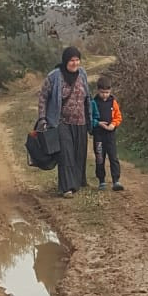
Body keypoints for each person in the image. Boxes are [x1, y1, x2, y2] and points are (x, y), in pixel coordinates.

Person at [37, 47, 92, 197]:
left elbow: (88, 97)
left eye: (77, 60)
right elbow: (43, 97)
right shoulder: (54, 76)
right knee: (66, 153)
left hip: (81, 121)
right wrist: (42, 118)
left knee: (79, 154)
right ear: (65, 61)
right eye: (71, 60)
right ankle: (67, 188)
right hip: (61, 121)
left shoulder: (83, 74)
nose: (75, 63)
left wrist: (90, 119)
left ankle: (78, 182)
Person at [91, 74, 125, 191]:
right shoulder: (94, 102)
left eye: (107, 92)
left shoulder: (113, 102)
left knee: (113, 157)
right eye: (102, 92)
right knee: (100, 158)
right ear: (98, 91)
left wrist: (113, 124)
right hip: (98, 135)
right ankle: (101, 181)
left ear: (110, 91)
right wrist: (98, 123)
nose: (105, 95)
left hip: (110, 135)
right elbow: (90, 118)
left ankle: (116, 180)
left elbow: (118, 116)